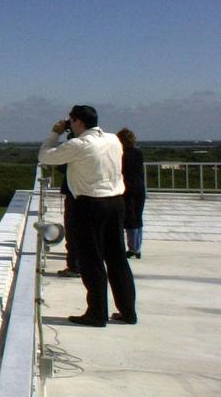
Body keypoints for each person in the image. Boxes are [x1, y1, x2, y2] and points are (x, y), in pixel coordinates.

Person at [38, 105, 137, 327]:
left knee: (91, 260)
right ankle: (128, 311)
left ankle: (97, 313)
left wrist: (55, 133)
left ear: (79, 122)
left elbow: (45, 157)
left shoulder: (79, 144)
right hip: (116, 201)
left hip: (90, 204)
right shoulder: (113, 139)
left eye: (71, 121)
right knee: (117, 258)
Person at [117, 128, 146, 259]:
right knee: (138, 217)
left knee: (129, 219)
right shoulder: (138, 153)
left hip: (127, 188)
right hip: (139, 188)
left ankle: (133, 247)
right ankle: (137, 247)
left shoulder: (122, 154)